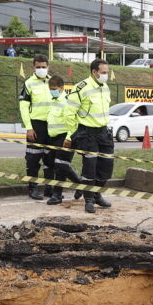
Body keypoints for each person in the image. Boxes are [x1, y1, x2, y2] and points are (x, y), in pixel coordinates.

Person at [62, 58, 114, 213]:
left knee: (106, 166)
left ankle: (96, 193)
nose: (106, 75)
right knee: (89, 168)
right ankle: (89, 200)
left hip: (103, 132)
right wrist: (73, 133)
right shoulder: (81, 87)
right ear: (94, 72)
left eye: (107, 72)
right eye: (103, 72)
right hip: (88, 133)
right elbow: (69, 112)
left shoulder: (105, 87)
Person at [18, 55, 57, 200]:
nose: (41, 69)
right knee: (33, 159)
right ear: (33, 67)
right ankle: (33, 189)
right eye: (38, 67)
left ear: (48, 67)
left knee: (50, 159)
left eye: (44, 66)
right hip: (36, 125)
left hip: (52, 126)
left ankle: (49, 188)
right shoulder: (28, 83)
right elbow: (23, 107)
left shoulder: (53, 82)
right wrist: (29, 128)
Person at [43, 75, 80, 204]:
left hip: (65, 137)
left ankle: (57, 195)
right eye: (50, 88)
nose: (52, 90)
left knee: (61, 166)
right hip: (53, 138)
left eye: (54, 88)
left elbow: (74, 123)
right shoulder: (53, 101)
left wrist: (69, 138)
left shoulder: (66, 102)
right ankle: (79, 183)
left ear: (61, 88)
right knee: (58, 165)